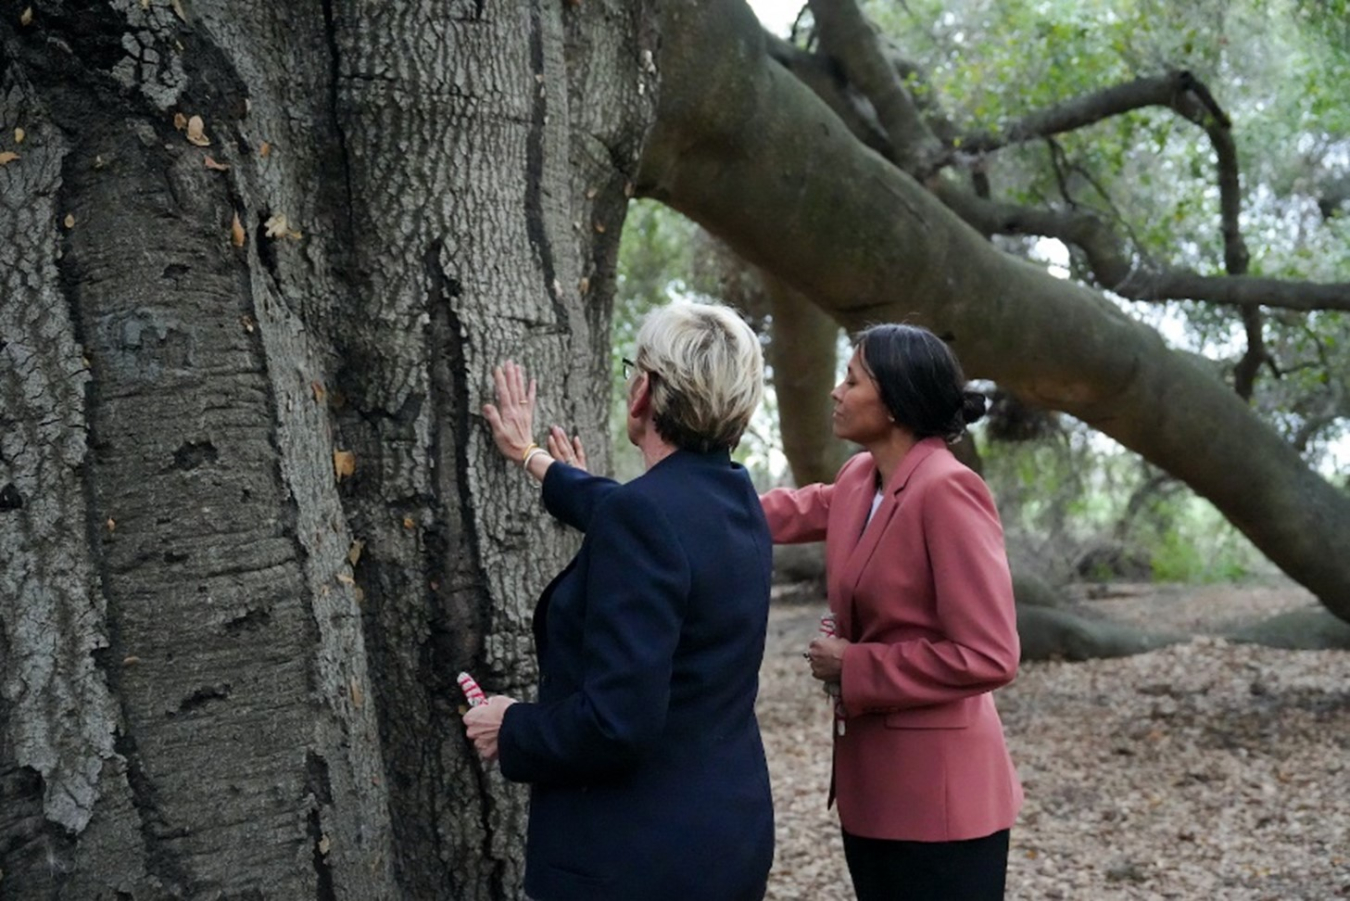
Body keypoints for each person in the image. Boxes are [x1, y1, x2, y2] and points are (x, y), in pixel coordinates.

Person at [463, 301, 775, 901]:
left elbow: (616, 724)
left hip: (633, 859)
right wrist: (538, 461)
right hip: (726, 839)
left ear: (643, 392)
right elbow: (630, 510)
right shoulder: (738, 503)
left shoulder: (645, 517)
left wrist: (514, 726)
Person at [760, 323, 1023, 901]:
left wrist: (856, 666)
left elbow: (990, 655)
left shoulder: (949, 490)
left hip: (942, 804)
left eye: (851, 380)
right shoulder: (861, 477)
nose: (835, 391)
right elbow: (784, 512)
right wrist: (678, 502)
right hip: (872, 791)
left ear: (897, 403)